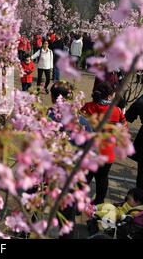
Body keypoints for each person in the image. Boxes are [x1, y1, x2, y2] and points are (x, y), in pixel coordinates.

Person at [49, 81, 93, 239]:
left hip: (53, 172)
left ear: (53, 98)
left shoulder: (48, 119)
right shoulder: (82, 121)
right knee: (68, 211)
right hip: (74, 172)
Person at [81, 82, 128, 204]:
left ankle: (78, 205)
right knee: (102, 178)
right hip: (107, 151)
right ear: (108, 97)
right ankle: (99, 202)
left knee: (85, 178)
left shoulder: (88, 107)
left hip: (89, 150)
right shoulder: (116, 110)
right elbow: (124, 128)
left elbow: (79, 126)